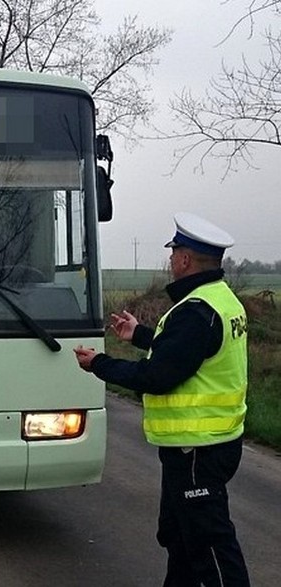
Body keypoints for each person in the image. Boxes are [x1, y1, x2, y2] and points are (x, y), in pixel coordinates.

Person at [74, 212, 250, 586]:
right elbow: (186, 352)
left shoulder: (195, 311)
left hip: (196, 451)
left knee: (210, 544)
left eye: (173, 253)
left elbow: (157, 376)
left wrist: (99, 364)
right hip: (212, 444)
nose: (170, 260)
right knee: (181, 539)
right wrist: (140, 335)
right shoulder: (220, 300)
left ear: (185, 259)